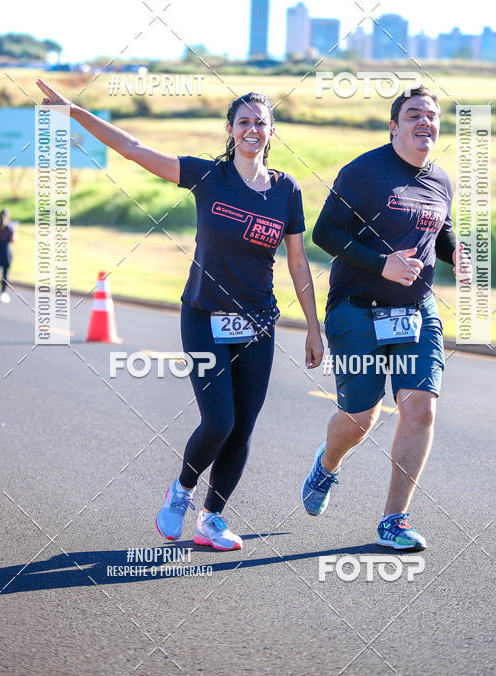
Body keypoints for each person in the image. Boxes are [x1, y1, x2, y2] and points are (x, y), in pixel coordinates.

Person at [36, 78, 324, 551]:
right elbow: (132, 148)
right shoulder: (207, 176)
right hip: (203, 316)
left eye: (261, 123)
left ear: (272, 132)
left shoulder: (285, 191)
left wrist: (313, 328)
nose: (252, 129)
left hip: (258, 324)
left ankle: (212, 519)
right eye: (244, 122)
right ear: (230, 130)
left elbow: (297, 262)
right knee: (219, 422)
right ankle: (182, 491)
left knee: (243, 428)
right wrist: (73, 112)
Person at [301, 86, 468, 551]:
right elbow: (325, 232)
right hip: (357, 310)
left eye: (431, 116)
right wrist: (381, 264)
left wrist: (457, 254)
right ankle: (327, 465)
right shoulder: (363, 172)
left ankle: (394, 520)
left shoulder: (441, 182)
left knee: (421, 407)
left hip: (418, 311)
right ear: (394, 125)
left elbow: (442, 230)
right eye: (413, 114)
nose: (424, 122)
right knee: (359, 418)